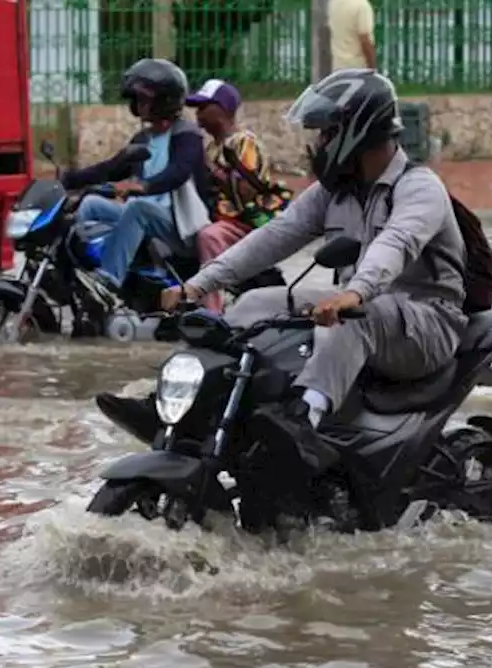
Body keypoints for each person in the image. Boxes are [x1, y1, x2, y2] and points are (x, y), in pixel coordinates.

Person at [160, 68, 468, 481]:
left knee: (353, 321)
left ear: (355, 130)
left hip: (427, 322)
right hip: (357, 308)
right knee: (253, 304)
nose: (318, 144)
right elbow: (274, 236)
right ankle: (199, 403)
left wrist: (356, 292)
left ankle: (304, 421)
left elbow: (396, 243)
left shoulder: (418, 187)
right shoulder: (334, 191)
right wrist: (199, 285)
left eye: (325, 132)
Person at [63, 59, 212, 296]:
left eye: (145, 99)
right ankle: (77, 274)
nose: (139, 105)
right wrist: (69, 180)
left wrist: (141, 186)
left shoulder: (187, 135)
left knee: (138, 209)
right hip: (143, 213)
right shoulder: (143, 138)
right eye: (138, 100)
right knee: (90, 203)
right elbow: (112, 168)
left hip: (180, 225)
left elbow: (177, 173)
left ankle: (108, 282)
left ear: (164, 100)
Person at [185, 77, 291, 313]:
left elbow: (245, 192)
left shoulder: (243, 142)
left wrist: (212, 171)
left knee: (208, 237)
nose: (198, 114)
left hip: (244, 222)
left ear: (222, 109)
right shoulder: (211, 147)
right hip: (221, 218)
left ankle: (210, 312)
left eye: (204, 107)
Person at [329, 0, 376, 71]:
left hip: (338, 69)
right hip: (357, 70)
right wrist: (372, 68)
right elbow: (365, 40)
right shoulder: (362, 6)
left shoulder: (333, 3)